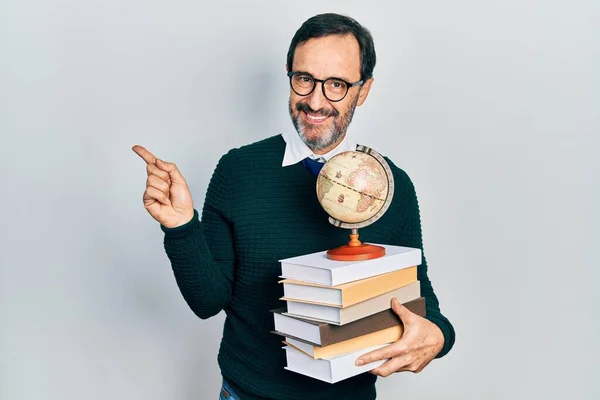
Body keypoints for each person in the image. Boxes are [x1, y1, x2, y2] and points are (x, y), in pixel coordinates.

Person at [133, 13, 455, 400]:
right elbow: (208, 302)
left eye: (336, 84)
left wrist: (439, 336)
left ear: (363, 90)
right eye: (304, 79)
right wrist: (181, 226)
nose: (316, 101)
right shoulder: (239, 170)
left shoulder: (391, 186)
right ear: (289, 76)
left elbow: (422, 304)